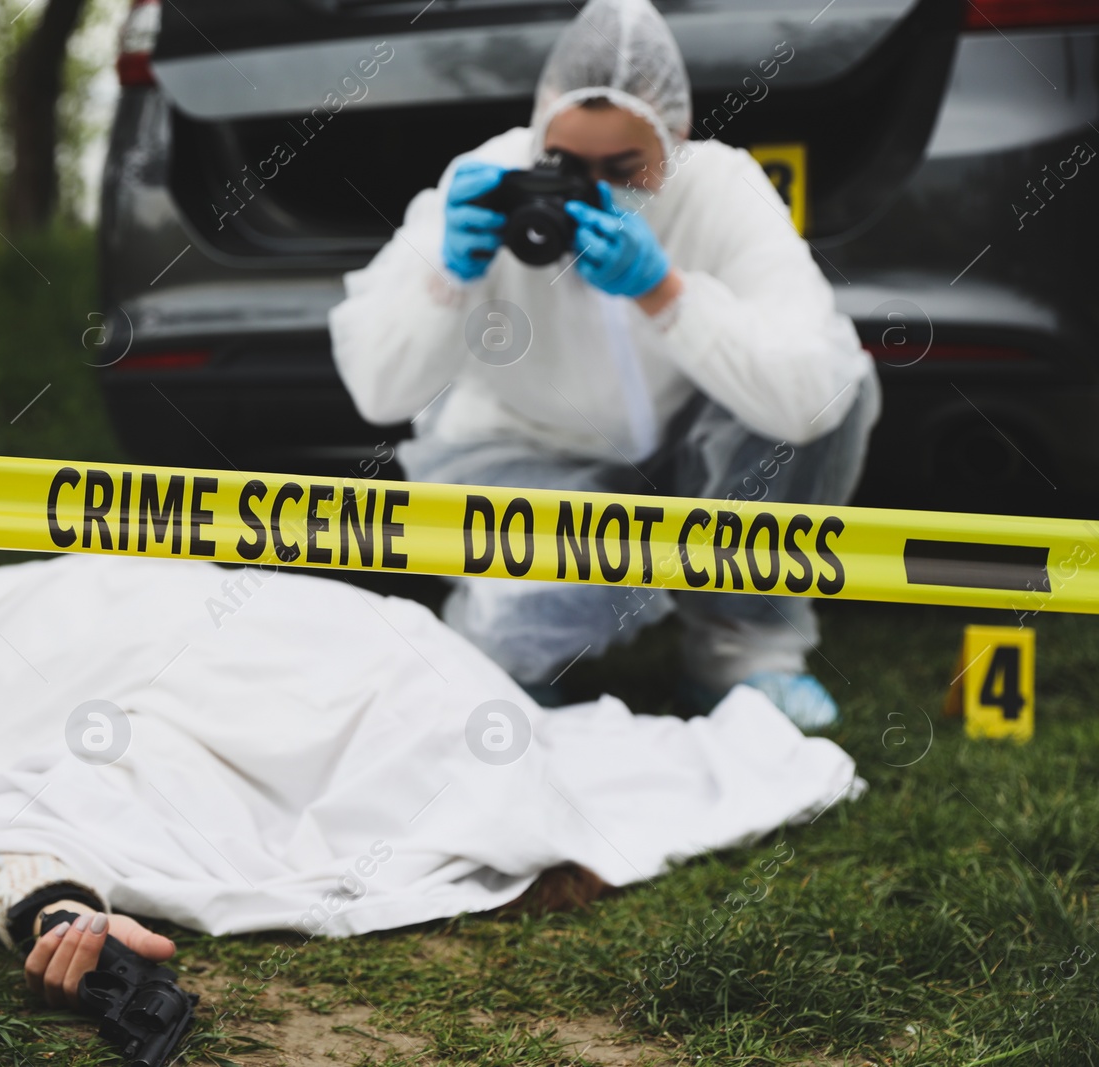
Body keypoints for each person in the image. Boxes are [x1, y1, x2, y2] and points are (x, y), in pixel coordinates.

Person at [0, 526, 860, 1005]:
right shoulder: (410, 679)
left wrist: (52, 912)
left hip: (88, 648)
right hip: (108, 605)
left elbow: (13, 821)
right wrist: (51, 901)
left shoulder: (239, 780)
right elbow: (25, 813)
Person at [328, 0, 880, 731]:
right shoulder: (488, 181)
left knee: (842, 381)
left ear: (676, 137)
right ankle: (508, 649)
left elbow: (812, 388)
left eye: (624, 169)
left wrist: (667, 292)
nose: (590, 190)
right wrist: (447, 278)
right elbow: (378, 386)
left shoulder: (719, 189)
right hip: (528, 456)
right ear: (538, 134)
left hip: (690, 456)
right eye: (566, 166)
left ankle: (742, 656)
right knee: (523, 628)